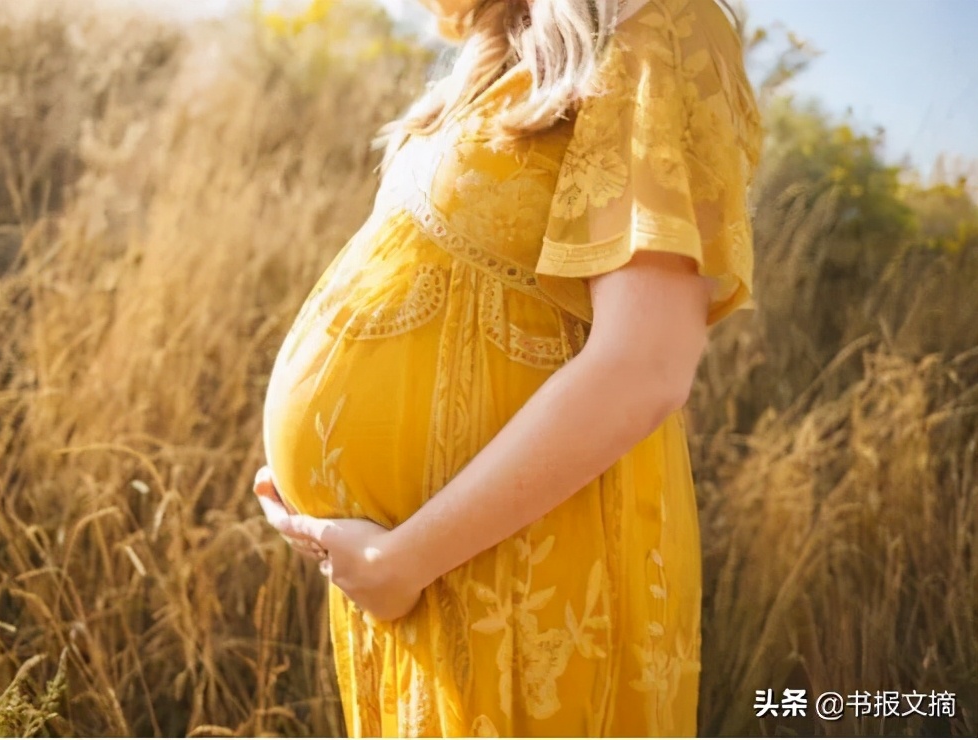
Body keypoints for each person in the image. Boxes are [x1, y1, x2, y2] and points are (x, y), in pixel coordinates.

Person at [254, 0, 762, 735]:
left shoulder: (662, 25)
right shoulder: (500, 52)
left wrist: (402, 559)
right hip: (423, 574)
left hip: (526, 574)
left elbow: (647, 362)